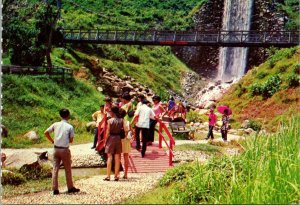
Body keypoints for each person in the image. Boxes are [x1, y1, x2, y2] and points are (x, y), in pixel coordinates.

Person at [44, 109, 80, 195]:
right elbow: (71, 140)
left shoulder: (55, 124)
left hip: (56, 149)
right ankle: (70, 187)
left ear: (60, 116)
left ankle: (55, 189)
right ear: (68, 116)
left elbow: (46, 132)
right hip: (64, 149)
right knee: (67, 168)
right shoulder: (70, 127)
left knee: (55, 169)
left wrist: (52, 141)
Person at [103, 106, 127, 181]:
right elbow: (126, 130)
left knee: (109, 157)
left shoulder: (110, 121)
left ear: (112, 112)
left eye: (110, 111)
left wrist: (105, 141)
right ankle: (116, 176)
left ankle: (108, 176)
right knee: (117, 158)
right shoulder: (122, 120)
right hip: (118, 138)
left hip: (111, 138)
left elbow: (107, 132)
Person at [119, 108, 132, 179]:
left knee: (118, 156)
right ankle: (126, 174)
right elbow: (131, 131)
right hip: (126, 140)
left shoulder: (117, 122)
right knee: (126, 156)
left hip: (118, 140)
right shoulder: (127, 122)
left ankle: (117, 173)